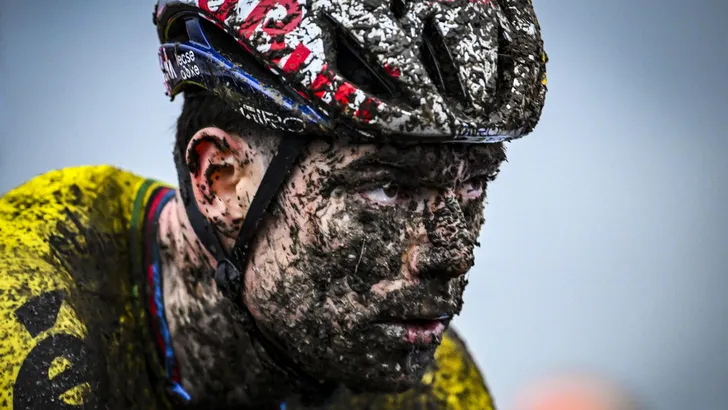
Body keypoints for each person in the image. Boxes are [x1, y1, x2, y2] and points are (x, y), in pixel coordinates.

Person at [0, 0, 547, 408]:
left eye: (474, 185)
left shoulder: (439, 386)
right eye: (388, 189)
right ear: (219, 179)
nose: (451, 256)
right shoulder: (25, 307)